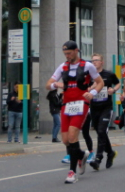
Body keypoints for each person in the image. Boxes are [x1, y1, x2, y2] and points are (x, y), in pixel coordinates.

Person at [44, 40, 104, 184]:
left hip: (81, 103)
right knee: (65, 140)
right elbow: (48, 85)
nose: (67, 56)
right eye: (65, 54)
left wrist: (92, 93)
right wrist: (56, 84)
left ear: (76, 51)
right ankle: (81, 154)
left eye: (69, 53)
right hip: (66, 104)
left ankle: (72, 172)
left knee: (72, 135)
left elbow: (100, 82)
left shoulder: (87, 66)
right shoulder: (62, 67)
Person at [88, 53, 120, 171]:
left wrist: (113, 89)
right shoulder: (89, 76)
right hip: (94, 107)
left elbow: (118, 83)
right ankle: (110, 152)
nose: (94, 62)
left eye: (96, 60)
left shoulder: (109, 74)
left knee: (102, 131)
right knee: (100, 132)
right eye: (92, 61)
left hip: (106, 107)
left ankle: (98, 158)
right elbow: (85, 89)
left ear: (102, 62)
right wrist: (91, 87)